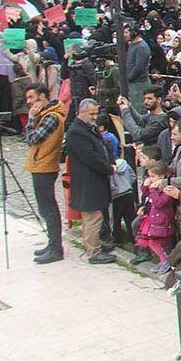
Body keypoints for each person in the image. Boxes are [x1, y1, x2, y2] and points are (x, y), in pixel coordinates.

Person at [64, 98, 117, 265]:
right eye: (91, 113)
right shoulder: (76, 131)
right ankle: (94, 252)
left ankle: (93, 246)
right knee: (93, 216)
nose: (95, 117)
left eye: (96, 113)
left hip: (92, 179)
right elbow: (90, 157)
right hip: (88, 180)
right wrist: (109, 168)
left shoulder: (86, 127)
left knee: (92, 216)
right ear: (81, 111)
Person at [23, 83, 67, 265]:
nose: (28, 102)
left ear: (42, 98)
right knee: (45, 207)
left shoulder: (51, 117)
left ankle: (56, 248)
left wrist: (31, 118)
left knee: (48, 208)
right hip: (40, 165)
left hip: (45, 166)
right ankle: (52, 244)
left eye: (31, 98)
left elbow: (32, 139)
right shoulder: (46, 115)